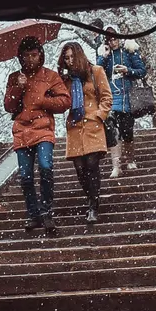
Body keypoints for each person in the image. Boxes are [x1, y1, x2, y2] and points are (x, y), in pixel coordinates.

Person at [3, 34, 71, 234]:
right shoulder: (14, 78)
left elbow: (65, 101)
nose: (30, 59)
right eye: (26, 56)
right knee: (25, 176)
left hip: (43, 130)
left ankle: (46, 211)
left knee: (45, 167)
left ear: (40, 55)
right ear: (21, 57)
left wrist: (44, 101)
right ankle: (33, 214)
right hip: (21, 131)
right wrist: (18, 87)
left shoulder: (50, 76)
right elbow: (9, 106)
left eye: (34, 55)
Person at [57, 41, 113, 225]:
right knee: (80, 169)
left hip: (93, 125)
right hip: (74, 126)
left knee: (91, 164)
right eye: (66, 58)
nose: (70, 61)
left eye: (73, 56)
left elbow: (106, 97)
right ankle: (91, 197)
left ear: (80, 55)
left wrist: (99, 115)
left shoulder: (95, 71)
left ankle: (93, 206)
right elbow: (61, 103)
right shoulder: (66, 80)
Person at [100, 26, 148, 176]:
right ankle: (116, 165)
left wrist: (128, 70)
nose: (113, 42)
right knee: (112, 131)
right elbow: (97, 72)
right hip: (111, 98)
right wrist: (104, 56)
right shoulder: (105, 55)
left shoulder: (129, 51)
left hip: (127, 98)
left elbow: (142, 71)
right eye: (110, 40)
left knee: (127, 131)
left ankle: (130, 159)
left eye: (115, 39)